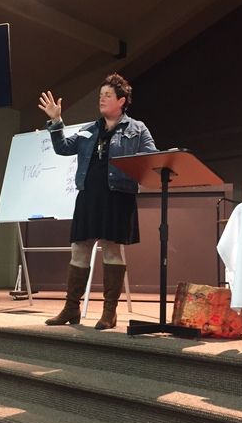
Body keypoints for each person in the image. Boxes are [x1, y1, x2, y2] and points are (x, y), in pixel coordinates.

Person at [38, 73, 157, 330]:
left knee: (112, 249)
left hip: (118, 197)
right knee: (79, 248)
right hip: (88, 196)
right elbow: (62, 147)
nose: (102, 99)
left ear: (121, 101)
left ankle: (109, 313)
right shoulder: (89, 129)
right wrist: (56, 120)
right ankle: (71, 308)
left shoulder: (137, 128)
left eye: (107, 95)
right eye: (100, 95)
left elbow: (151, 160)